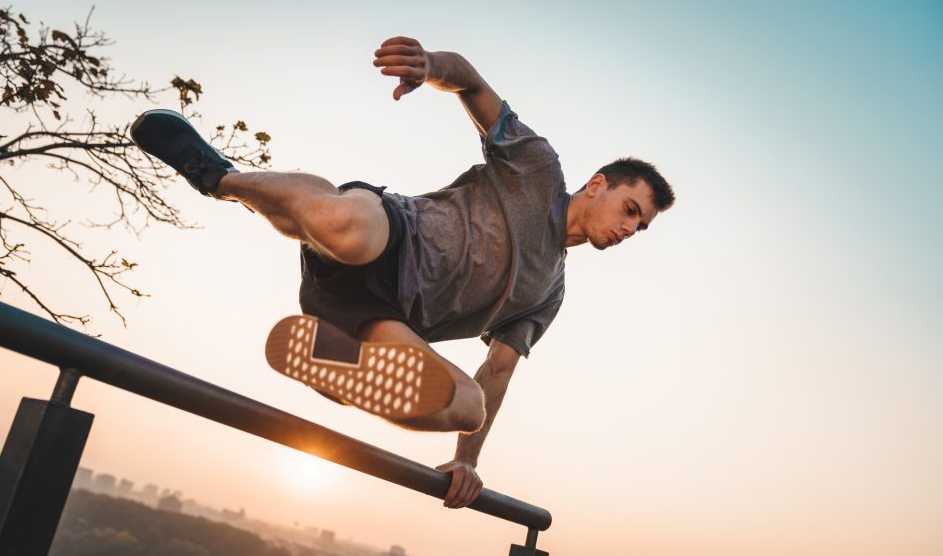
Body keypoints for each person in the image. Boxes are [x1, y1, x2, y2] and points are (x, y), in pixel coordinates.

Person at [131, 36, 675, 509]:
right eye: (631, 210)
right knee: (347, 226)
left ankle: (335, 362)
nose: (631, 229)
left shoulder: (549, 293)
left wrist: (466, 461)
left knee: (467, 405)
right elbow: (471, 82)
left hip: (381, 317)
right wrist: (429, 65)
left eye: (642, 227)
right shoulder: (537, 168)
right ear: (600, 184)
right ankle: (221, 178)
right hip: (390, 233)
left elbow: (498, 372)